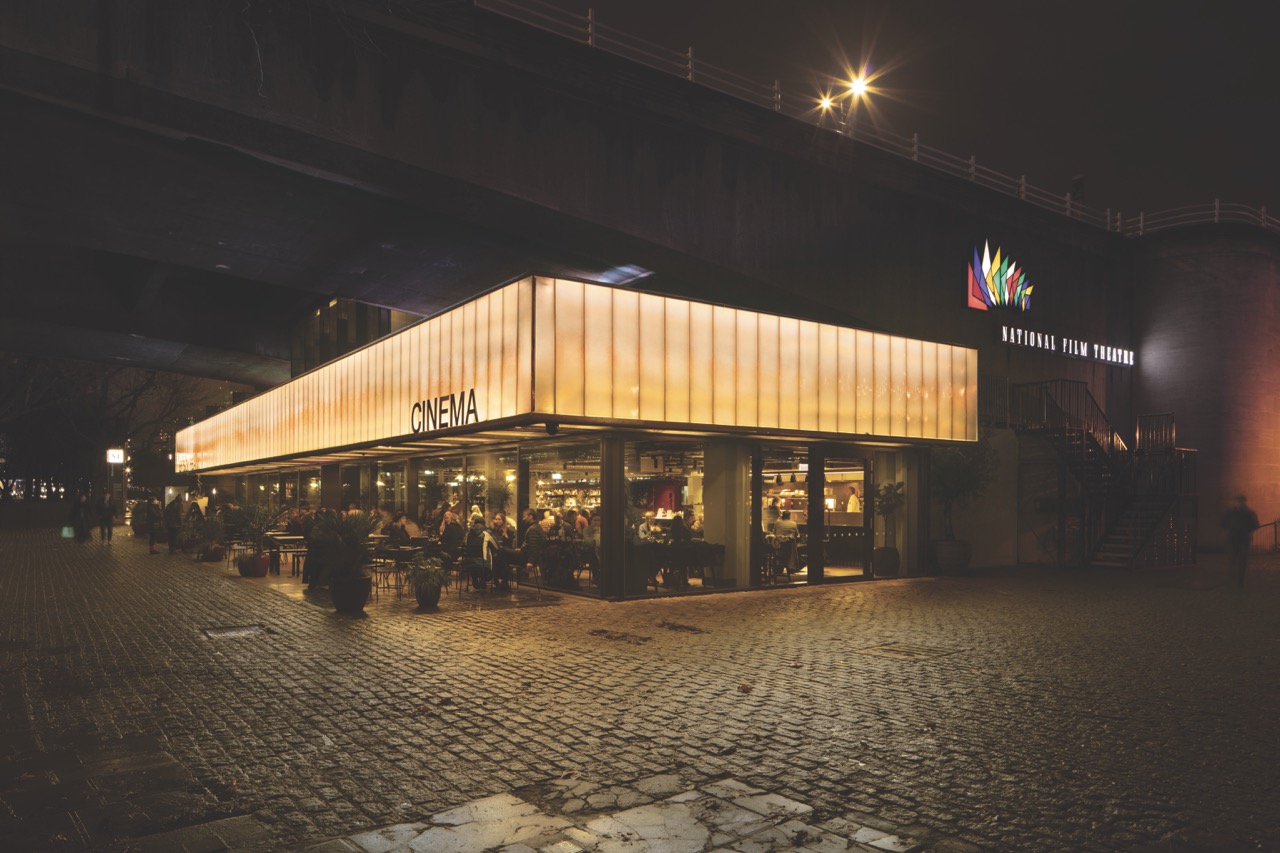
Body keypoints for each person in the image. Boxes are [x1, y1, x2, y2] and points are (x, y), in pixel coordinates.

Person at [1221, 494, 1260, 587]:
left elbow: (1255, 525)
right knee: (1233, 560)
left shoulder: (1248, 513)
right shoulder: (1231, 512)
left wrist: (1246, 530)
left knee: (1241, 560)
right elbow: (1223, 523)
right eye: (1238, 501)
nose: (1239, 503)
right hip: (1234, 539)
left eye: (1240, 501)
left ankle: (1239, 581)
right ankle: (1233, 579)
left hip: (1243, 539)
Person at [461, 514, 497, 590]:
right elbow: (496, 547)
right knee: (489, 559)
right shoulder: (487, 533)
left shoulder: (468, 534)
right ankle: (484, 579)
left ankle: (475, 577)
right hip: (483, 563)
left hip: (468, 562)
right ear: (484, 524)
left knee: (474, 562)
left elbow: (463, 545)